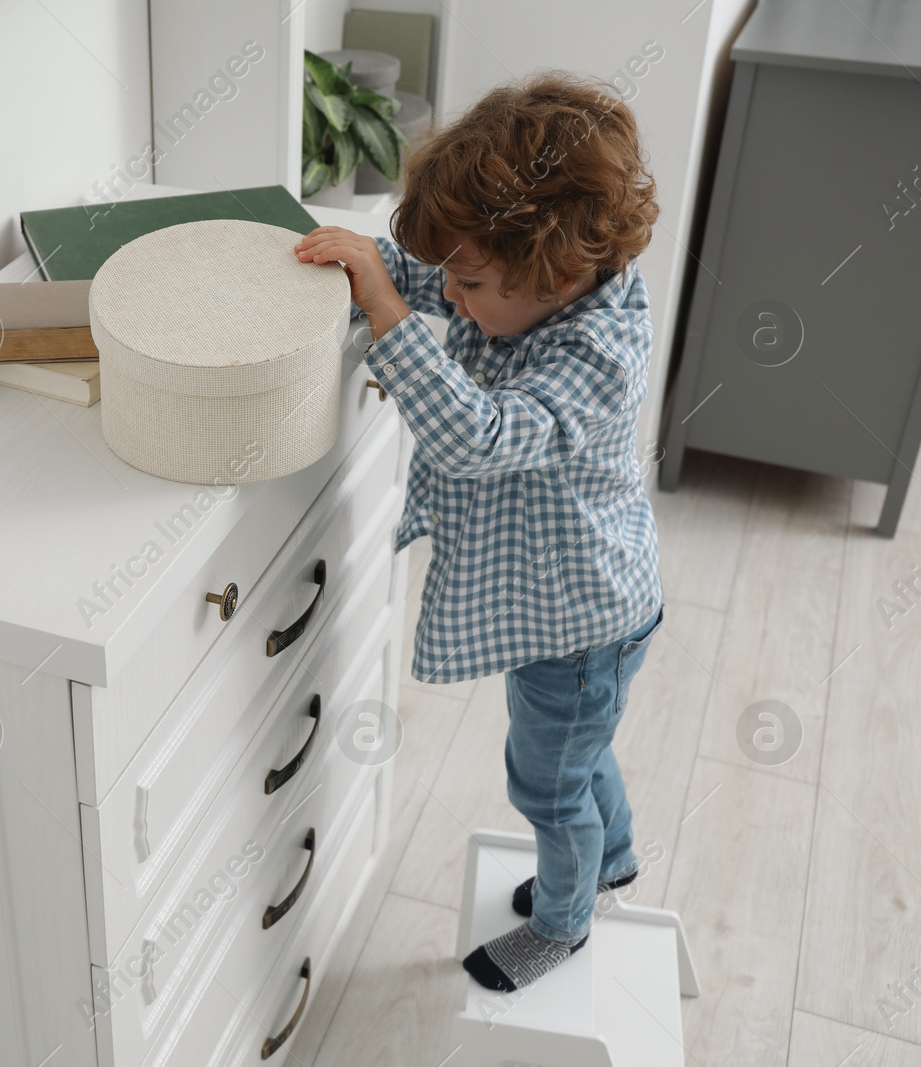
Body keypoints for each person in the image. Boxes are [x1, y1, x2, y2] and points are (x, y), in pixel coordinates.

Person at [294, 72, 665, 992]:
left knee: (545, 784)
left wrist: (385, 310)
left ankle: (565, 920)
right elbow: (428, 273)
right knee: (584, 749)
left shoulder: (594, 352)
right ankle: (610, 858)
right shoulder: (526, 286)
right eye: (451, 276)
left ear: (560, 272)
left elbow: (477, 436)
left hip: (582, 624)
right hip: (580, 610)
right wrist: (375, 268)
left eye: (469, 281)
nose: (448, 297)